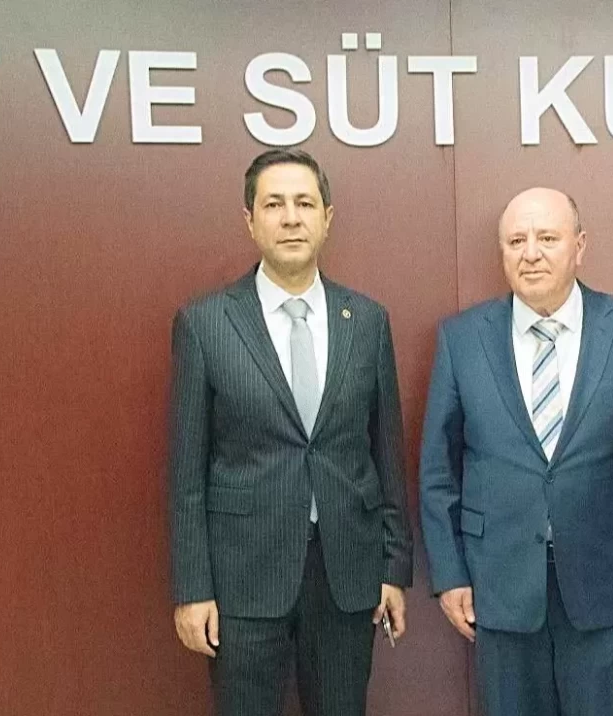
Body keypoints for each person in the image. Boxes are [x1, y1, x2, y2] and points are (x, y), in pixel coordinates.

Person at [420, 187, 613, 716]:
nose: (531, 253)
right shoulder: (462, 339)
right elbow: (437, 470)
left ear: (579, 246)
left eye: (547, 238)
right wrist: (449, 573)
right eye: (516, 241)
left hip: (612, 589)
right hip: (499, 590)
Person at [168, 148, 413, 716]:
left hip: (346, 575)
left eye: (304, 203)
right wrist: (192, 589)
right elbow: (185, 473)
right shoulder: (205, 324)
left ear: (327, 217)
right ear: (250, 221)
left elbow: (387, 454)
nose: (291, 217)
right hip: (243, 582)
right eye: (273, 204)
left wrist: (393, 567)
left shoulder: (367, 320)